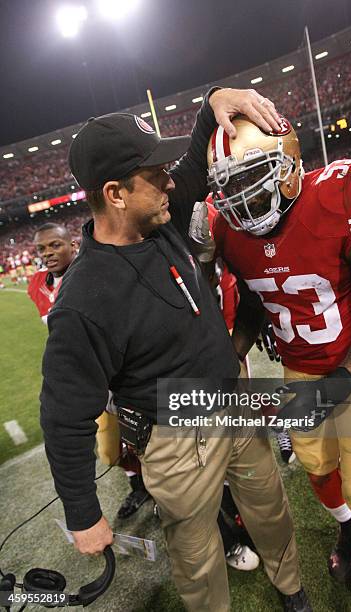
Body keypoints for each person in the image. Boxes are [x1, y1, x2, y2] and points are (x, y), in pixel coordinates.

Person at [39, 89, 312, 612]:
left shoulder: (159, 215)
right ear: (115, 194)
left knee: (271, 511)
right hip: (174, 437)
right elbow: (64, 414)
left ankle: (292, 589)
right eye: (155, 175)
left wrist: (215, 99)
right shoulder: (83, 302)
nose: (172, 181)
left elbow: (194, 155)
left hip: (233, 404)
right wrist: (82, 511)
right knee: (195, 554)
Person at [209, 115, 351, 611]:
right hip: (299, 365)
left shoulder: (341, 193)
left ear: (289, 164)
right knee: (318, 469)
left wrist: (329, 392)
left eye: (255, 179)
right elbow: (257, 297)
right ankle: (346, 534)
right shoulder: (230, 234)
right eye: (232, 185)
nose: (244, 198)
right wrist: (233, 348)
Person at [28, 222, 151, 519]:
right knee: (109, 453)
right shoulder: (37, 286)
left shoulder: (93, 273)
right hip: (92, 383)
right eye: (41, 248)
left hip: (125, 378)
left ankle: (161, 489)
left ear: (72, 245)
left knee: (149, 441)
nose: (48, 253)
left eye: (55, 245)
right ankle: (140, 485)